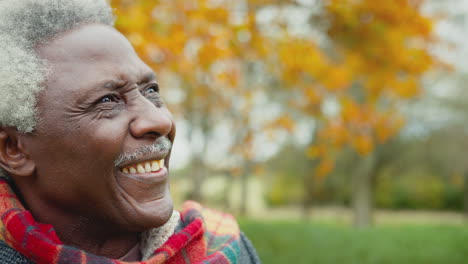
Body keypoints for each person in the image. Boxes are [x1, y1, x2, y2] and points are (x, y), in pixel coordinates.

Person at [0, 0, 261, 263]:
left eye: (151, 90)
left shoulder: (228, 250)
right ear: (13, 149)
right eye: (107, 100)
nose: (159, 120)